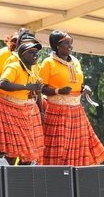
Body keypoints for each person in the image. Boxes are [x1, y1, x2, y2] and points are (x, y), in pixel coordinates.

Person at [39, 31, 104, 165]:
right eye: (67, 43)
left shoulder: (75, 61)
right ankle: (55, 175)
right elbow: (40, 88)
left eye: (71, 43)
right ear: (57, 45)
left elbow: (77, 83)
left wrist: (84, 88)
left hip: (76, 110)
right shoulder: (48, 62)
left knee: (80, 146)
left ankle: (76, 175)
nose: (70, 46)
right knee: (58, 149)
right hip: (56, 111)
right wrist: (58, 91)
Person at [0, 40, 45, 164]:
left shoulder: (34, 69)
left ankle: (20, 174)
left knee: (28, 152)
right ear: (22, 55)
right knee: (12, 150)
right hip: (5, 107)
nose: (35, 55)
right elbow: (2, 84)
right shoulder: (14, 67)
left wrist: (41, 110)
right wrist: (25, 87)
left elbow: (36, 90)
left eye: (36, 52)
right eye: (31, 52)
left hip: (24, 109)